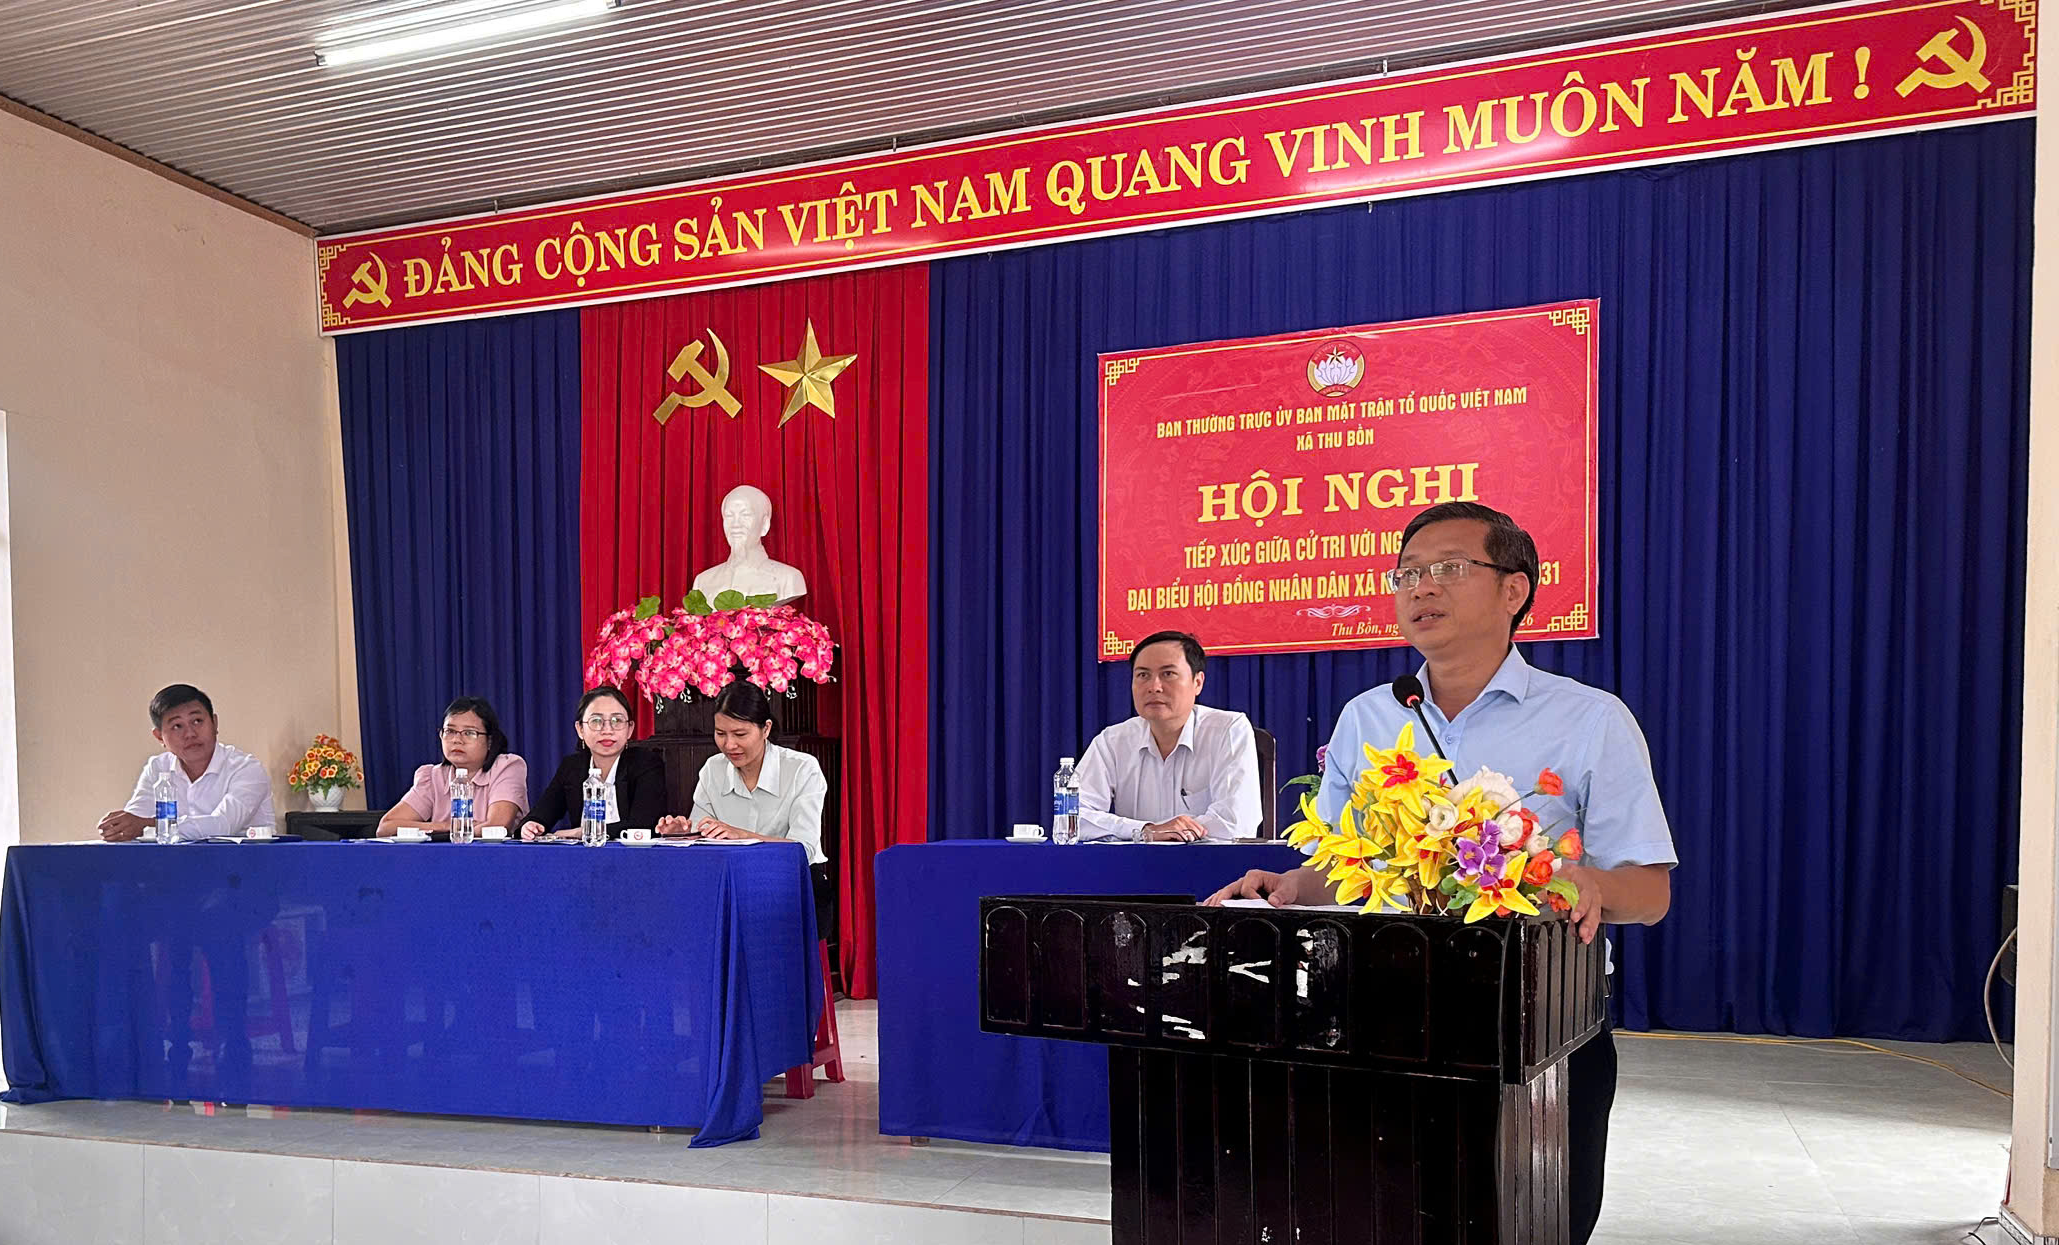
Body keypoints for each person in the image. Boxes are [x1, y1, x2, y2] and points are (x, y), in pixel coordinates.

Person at [1205, 501, 1677, 1245]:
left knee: (1532, 1225)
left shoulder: (1589, 720)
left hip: (1537, 1023)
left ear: (1514, 589)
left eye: (1450, 568)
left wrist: (1586, 883)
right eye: (1407, 574)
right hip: (1381, 1015)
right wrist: (1291, 886)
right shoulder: (1371, 717)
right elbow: (1347, 871)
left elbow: (1649, 892)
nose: (1421, 587)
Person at [1076, 630, 1261, 841]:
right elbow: (1072, 818)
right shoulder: (1112, 741)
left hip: (1208, 860)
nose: (1154, 687)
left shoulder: (1228, 730)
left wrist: (1166, 834)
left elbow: (1236, 824)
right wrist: (1145, 830)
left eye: (1168, 674)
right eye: (1143, 675)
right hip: (1133, 860)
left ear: (1198, 682)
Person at [655, 680, 826, 864]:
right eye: (720, 734)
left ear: (766, 729)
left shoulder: (802, 768)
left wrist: (742, 837)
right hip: (732, 873)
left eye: (740, 734)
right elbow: (702, 837)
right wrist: (682, 835)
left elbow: (804, 850)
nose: (729, 745)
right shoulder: (713, 768)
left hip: (790, 875)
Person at [99, 683, 275, 842]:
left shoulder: (246, 769)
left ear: (214, 723)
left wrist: (150, 825)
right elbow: (135, 819)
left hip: (243, 865)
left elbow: (223, 825)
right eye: (177, 726)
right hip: (176, 865)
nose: (190, 733)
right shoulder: (157, 768)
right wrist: (119, 827)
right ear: (159, 737)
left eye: (197, 721)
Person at [521, 686, 667, 840]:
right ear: (580, 729)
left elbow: (644, 825)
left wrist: (582, 832)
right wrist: (531, 825)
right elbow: (542, 813)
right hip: (585, 853)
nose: (607, 730)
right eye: (596, 721)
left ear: (630, 729)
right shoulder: (571, 767)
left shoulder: (646, 763)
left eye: (617, 721)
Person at [377, 696, 528, 835]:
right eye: (450, 731)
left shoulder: (506, 767)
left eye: (469, 733)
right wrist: (449, 826)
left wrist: (431, 829)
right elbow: (386, 827)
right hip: (443, 854)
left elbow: (497, 826)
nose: (457, 740)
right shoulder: (433, 776)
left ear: (489, 741)